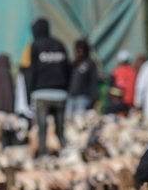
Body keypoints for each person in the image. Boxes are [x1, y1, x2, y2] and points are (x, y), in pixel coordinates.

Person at [26, 19, 69, 156]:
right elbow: (67, 68)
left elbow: (32, 71)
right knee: (60, 127)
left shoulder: (35, 46)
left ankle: (43, 153)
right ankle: (65, 151)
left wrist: (29, 93)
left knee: (42, 127)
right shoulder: (60, 44)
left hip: (42, 94)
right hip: (61, 94)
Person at [66, 40, 100, 118]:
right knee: (68, 119)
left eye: (82, 49)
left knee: (79, 119)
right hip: (71, 97)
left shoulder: (90, 63)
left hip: (83, 97)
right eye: (78, 49)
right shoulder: (74, 63)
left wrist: (94, 98)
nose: (80, 51)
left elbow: (94, 81)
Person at [106, 50, 138, 115]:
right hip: (132, 104)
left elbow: (111, 89)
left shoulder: (115, 72)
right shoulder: (134, 73)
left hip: (118, 105)